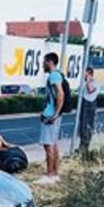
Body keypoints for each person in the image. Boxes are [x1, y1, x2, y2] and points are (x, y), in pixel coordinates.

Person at [36, 52, 65, 184]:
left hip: (50, 115)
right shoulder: (56, 75)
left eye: (44, 62)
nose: (43, 64)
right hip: (53, 114)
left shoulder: (54, 75)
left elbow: (60, 93)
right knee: (53, 144)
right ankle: (54, 173)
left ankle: (50, 174)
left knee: (48, 145)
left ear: (50, 62)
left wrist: (55, 113)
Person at [78, 67, 99, 150]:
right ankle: (82, 146)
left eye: (86, 74)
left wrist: (88, 80)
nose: (84, 76)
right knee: (82, 125)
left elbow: (90, 90)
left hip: (91, 104)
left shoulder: (95, 82)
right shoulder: (84, 82)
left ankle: (85, 146)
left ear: (90, 74)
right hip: (84, 103)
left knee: (89, 126)